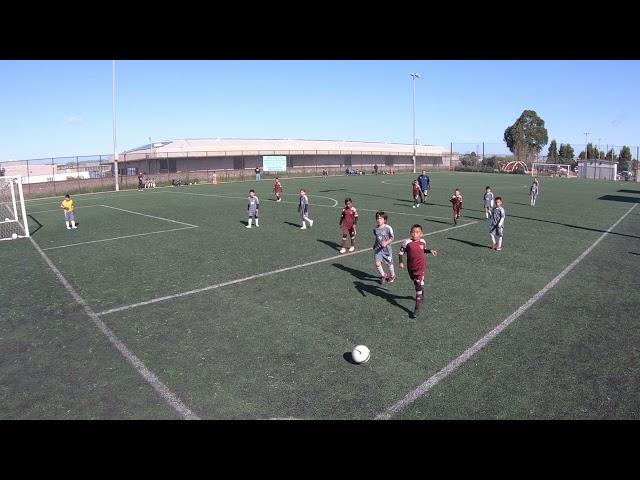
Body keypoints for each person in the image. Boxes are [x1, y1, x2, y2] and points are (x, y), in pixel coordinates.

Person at [398, 224, 438, 318]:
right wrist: (401, 262)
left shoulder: (423, 241)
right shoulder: (406, 242)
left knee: (417, 284)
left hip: (421, 267)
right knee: (419, 285)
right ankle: (421, 294)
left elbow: (422, 250)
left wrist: (430, 250)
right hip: (411, 268)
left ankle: (417, 308)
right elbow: (400, 253)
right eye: (413, 232)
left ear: (421, 234)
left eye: (417, 232)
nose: (415, 234)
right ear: (410, 233)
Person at [372, 211, 396, 284]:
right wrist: (374, 244)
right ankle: (383, 275)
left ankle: (393, 275)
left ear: (384, 220)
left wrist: (386, 242)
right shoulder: (375, 229)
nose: (378, 220)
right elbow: (377, 238)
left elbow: (392, 238)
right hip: (378, 249)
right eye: (377, 218)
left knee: (389, 264)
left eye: (381, 218)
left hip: (387, 250)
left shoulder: (388, 228)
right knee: (377, 263)